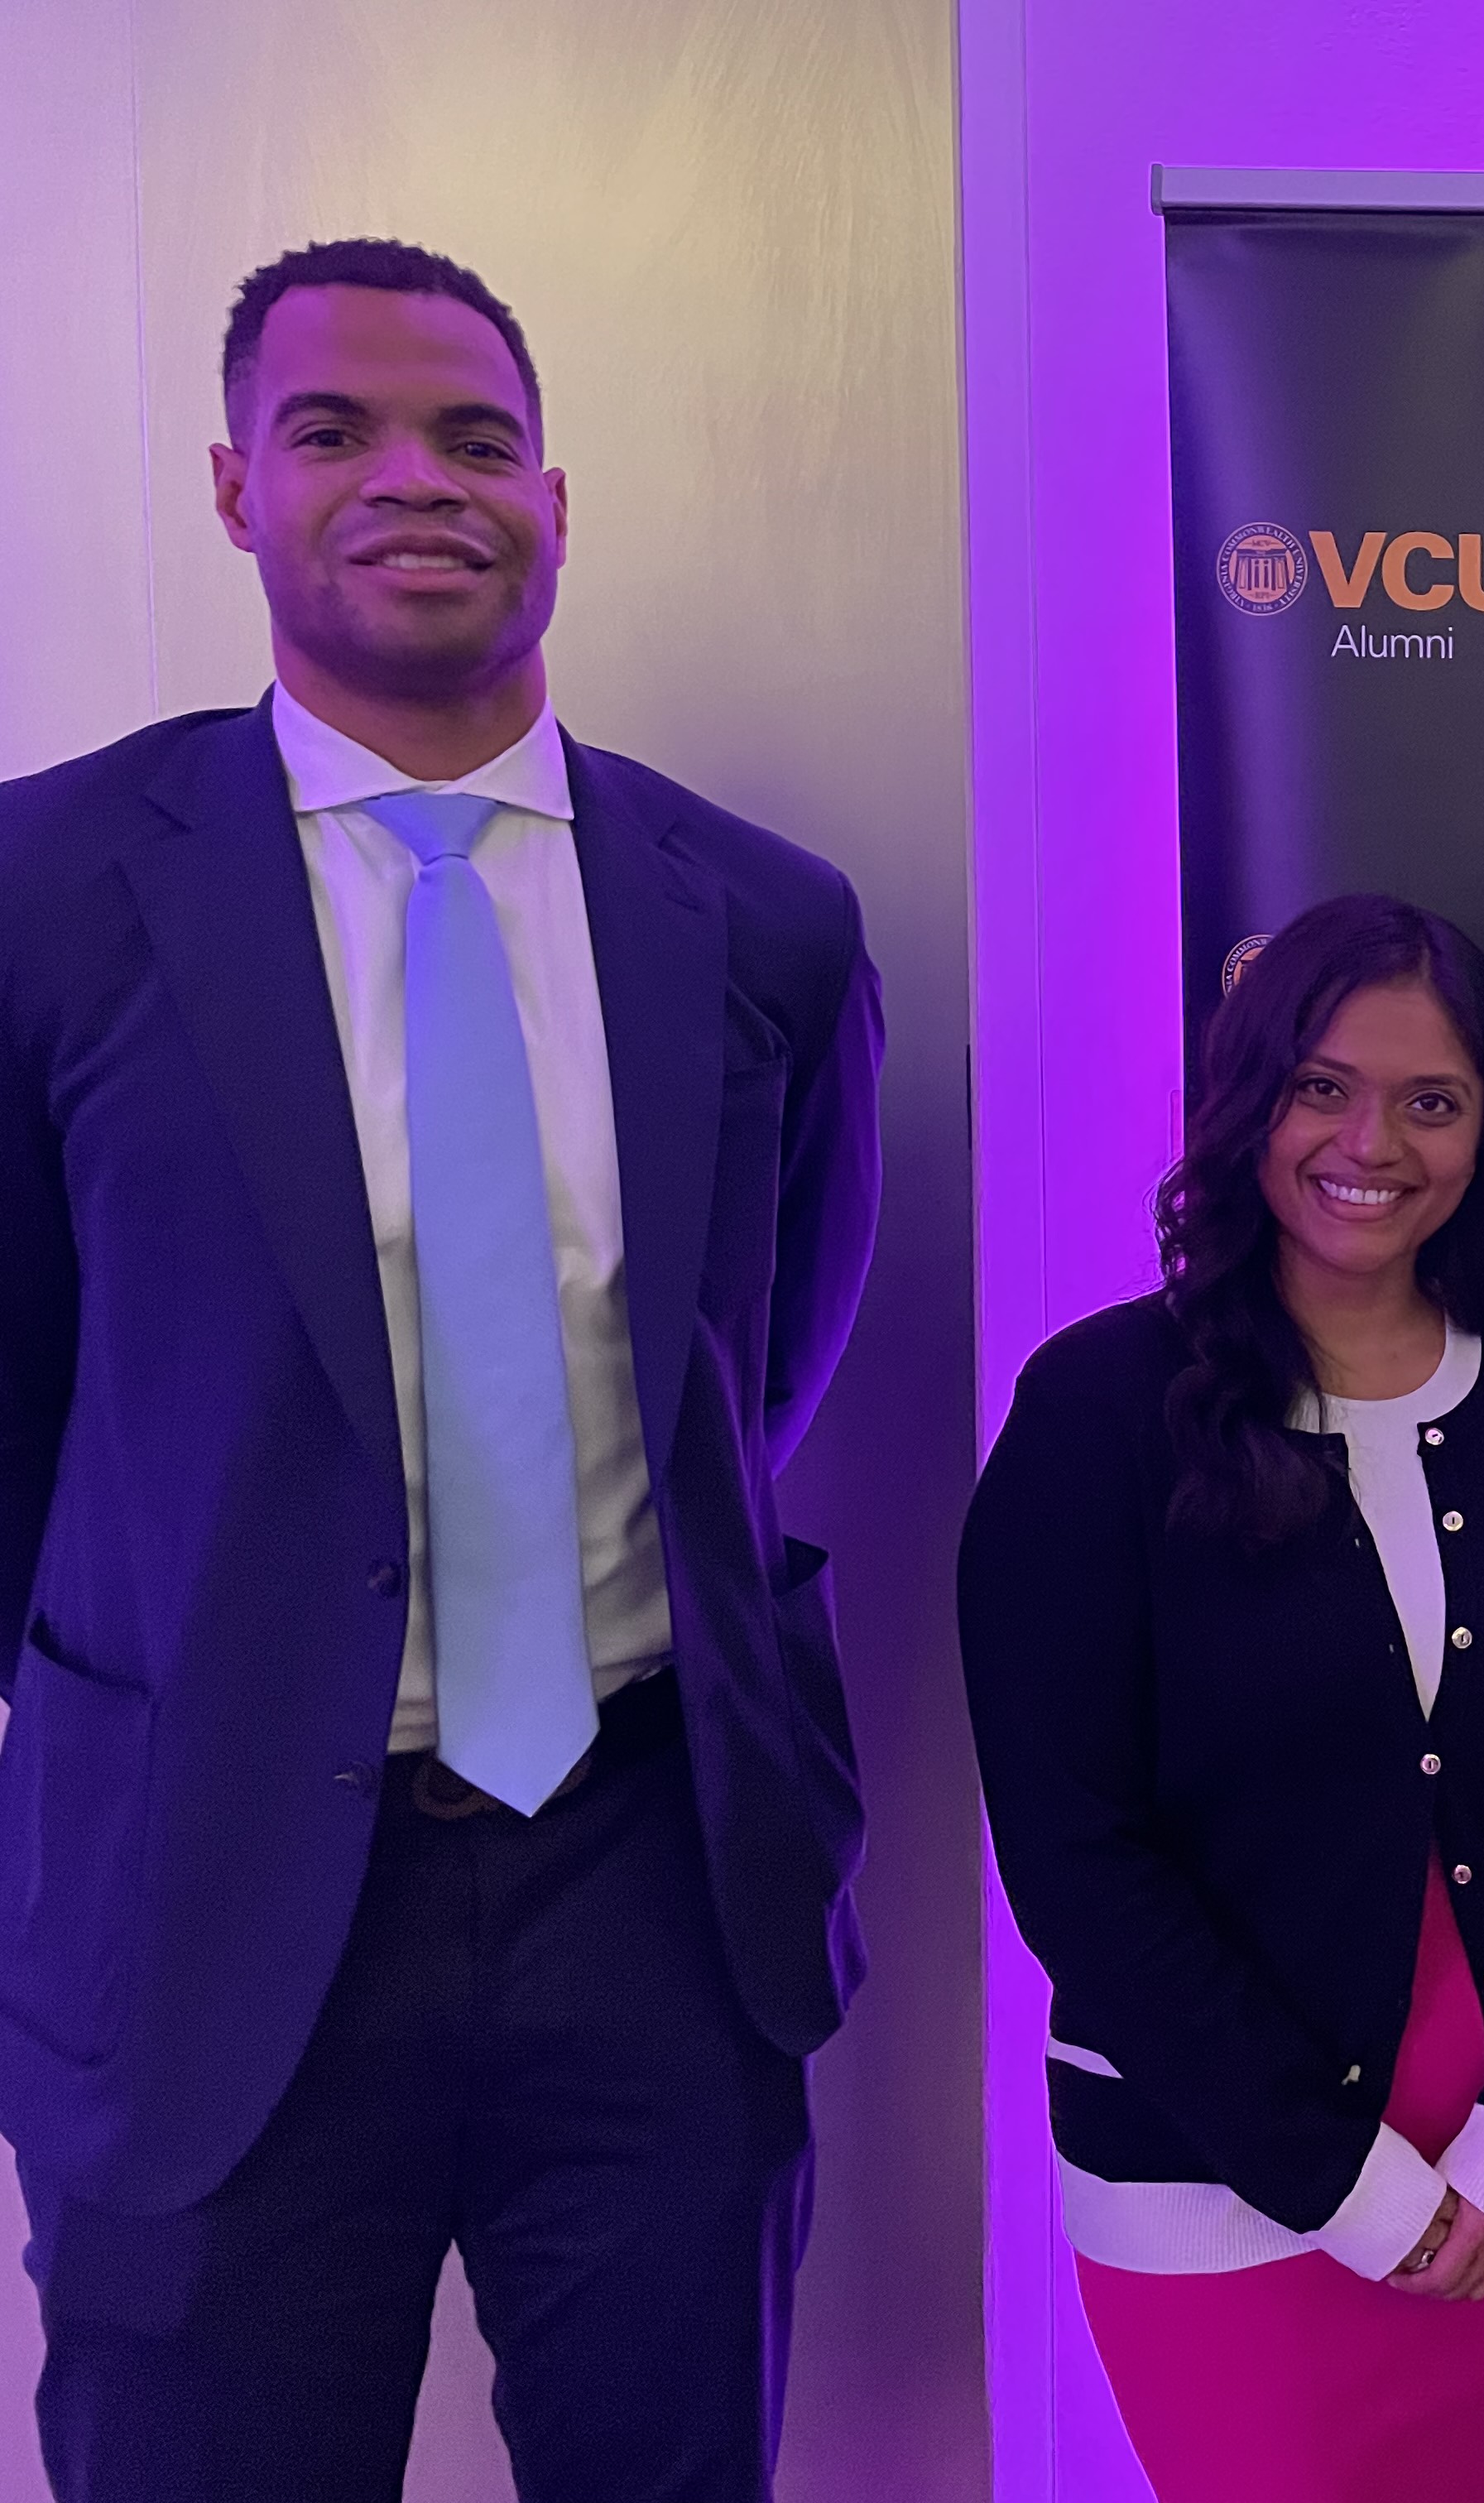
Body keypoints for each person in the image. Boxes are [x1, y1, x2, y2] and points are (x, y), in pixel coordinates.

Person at [0, 239, 884, 2497]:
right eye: (337, 432)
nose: (418, 480)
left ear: (557, 501)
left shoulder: (758, 917)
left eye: (475, 438)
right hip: (209, 1905)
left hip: (649, 1888)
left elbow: (759, 1357)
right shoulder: (55, 890)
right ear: (233, 487)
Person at [958, 894, 1484, 2503]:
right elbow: (1076, 1858)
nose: (1374, 1142)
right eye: (1322, 1088)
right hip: (1216, 2197)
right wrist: (1343, 2181)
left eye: (1432, 1100)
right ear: (1247, 1101)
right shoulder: (1095, 1414)